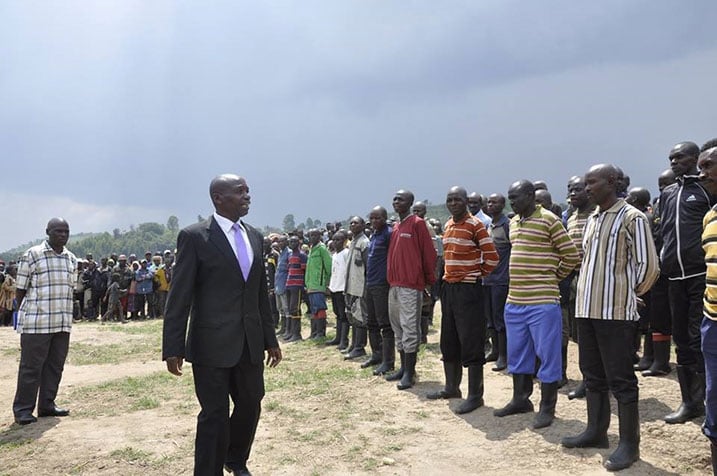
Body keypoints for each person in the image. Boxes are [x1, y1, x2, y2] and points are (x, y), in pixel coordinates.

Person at [162, 174, 282, 475]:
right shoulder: (195, 237)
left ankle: (235, 458)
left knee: (252, 403)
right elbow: (179, 296)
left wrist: (271, 338)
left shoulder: (255, 236)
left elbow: (258, 295)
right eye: (240, 192)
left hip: (249, 341)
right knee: (214, 415)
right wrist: (172, 346)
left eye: (248, 191)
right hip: (210, 344)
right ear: (218, 198)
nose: (247, 196)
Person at [561, 164, 659, 471]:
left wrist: (631, 295)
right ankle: (596, 431)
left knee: (621, 380)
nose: (588, 188)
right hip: (587, 309)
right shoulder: (592, 218)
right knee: (592, 374)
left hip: (615, 313)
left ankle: (629, 445)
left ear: (612, 182)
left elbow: (648, 266)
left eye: (593, 182)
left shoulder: (633, 217)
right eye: (586, 183)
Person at [494, 180, 579, 429]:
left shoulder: (549, 220)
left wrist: (551, 277)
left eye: (516, 197)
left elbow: (571, 255)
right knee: (518, 353)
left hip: (542, 301)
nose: (513, 202)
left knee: (548, 355)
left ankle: (547, 407)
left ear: (531, 196)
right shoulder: (514, 223)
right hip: (515, 301)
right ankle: (521, 399)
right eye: (510, 198)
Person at [427, 186, 498, 414]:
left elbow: (492, 257)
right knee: (449, 339)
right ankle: (451, 387)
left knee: (471, 341)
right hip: (449, 289)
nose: (453, 203)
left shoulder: (476, 225)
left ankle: (475, 396)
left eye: (458, 199)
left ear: (466, 201)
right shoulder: (448, 224)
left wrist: (475, 274)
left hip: (469, 290)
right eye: (450, 199)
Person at [660, 141, 714, 424]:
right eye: (671, 158)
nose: (674, 161)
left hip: (699, 276)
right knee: (680, 338)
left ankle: (707, 399)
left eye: (680, 157)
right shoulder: (668, 193)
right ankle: (689, 402)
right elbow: (665, 231)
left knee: (698, 339)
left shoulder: (706, 189)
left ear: (694, 158)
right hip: (674, 277)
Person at [12, 218, 78, 425]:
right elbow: (21, 289)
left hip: (62, 322)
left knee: (55, 366)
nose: (62, 235)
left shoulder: (71, 259)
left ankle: (47, 405)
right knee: (31, 367)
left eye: (66, 231)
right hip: (37, 323)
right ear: (47, 232)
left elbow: (70, 289)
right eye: (58, 231)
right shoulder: (32, 255)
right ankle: (23, 409)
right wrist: (28, 313)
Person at [385, 189, 437, 390]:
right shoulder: (397, 226)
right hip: (395, 284)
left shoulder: (417, 224)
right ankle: (403, 368)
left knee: (409, 328)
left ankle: (410, 372)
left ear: (410, 202)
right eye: (394, 198)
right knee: (397, 326)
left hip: (410, 285)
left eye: (401, 199)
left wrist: (428, 281)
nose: (396, 202)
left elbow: (428, 254)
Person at [564, 175, 596, 399]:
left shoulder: (597, 215)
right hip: (575, 280)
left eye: (577, 189)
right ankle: (589, 379)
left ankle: (593, 381)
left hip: (595, 279)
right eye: (569, 190)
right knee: (580, 334)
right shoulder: (572, 218)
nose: (573, 193)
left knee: (594, 335)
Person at [697, 145, 717, 473]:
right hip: (712, 322)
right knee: (714, 402)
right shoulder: (709, 217)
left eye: (709, 166)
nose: (702, 174)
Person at [365, 206, 395, 375]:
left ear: (385, 218)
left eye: (378, 218)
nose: (375, 221)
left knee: (385, 323)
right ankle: (376, 354)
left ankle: (388, 360)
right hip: (370, 283)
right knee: (371, 322)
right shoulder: (374, 235)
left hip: (382, 284)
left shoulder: (389, 234)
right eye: (372, 218)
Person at [483, 193, 511, 372]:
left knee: (501, 320)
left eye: (494, 202)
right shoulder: (489, 226)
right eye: (489, 202)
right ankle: (495, 350)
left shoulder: (507, 225)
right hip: (488, 279)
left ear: (502, 204)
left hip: (502, 280)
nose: (490, 205)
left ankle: (504, 355)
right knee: (490, 318)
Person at [344, 216, 370, 360]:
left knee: (360, 317)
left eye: (356, 223)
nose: (353, 225)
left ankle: (360, 347)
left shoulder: (364, 243)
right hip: (350, 286)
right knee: (352, 316)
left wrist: (365, 287)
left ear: (363, 225)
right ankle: (354, 344)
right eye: (351, 223)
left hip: (360, 287)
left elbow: (368, 267)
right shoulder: (353, 242)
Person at [305, 228, 332, 339]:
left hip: (319, 284)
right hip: (310, 284)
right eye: (311, 235)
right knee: (313, 309)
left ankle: (321, 333)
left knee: (320, 308)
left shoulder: (322, 249)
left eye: (315, 235)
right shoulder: (311, 249)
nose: (313, 238)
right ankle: (314, 332)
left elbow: (328, 266)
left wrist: (327, 283)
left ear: (320, 236)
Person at [325, 230, 350, 349]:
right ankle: (338, 337)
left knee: (343, 315)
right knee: (337, 314)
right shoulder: (334, 255)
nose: (335, 242)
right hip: (334, 287)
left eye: (338, 240)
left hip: (342, 288)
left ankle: (344, 341)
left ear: (344, 241)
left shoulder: (346, 253)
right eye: (334, 240)